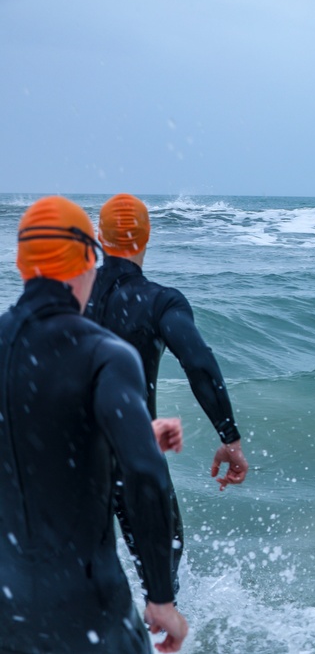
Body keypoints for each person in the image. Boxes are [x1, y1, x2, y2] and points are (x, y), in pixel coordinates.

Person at [0, 196, 188, 653]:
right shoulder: (104, 354)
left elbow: (32, 441)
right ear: (89, 258)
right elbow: (143, 474)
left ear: (23, 264)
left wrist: (126, 436)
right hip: (88, 611)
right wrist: (161, 597)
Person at [84, 193, 249, 597]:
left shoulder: (70, 298)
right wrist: (229, 437)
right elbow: (199, 363)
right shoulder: (159, 301)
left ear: (99, 237)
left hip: (71, 458)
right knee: (161, 584)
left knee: (76, 579)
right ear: (146, 238)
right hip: (133, 459)